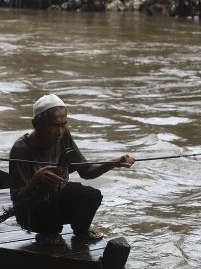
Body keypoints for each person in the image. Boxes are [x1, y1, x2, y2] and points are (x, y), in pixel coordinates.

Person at [9, 94, 135, 245]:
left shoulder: (63, 136)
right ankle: (47, 232)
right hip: (33, 210)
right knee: (44, 208)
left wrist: (113, 162)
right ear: (37, 124)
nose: (60, 131)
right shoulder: (21, 149)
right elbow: (17, 199)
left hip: (57, 198)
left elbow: (86, 171)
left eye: (64, 124)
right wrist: (36, 180)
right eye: (55, 125)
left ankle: (81, 229)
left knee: (91, 195)